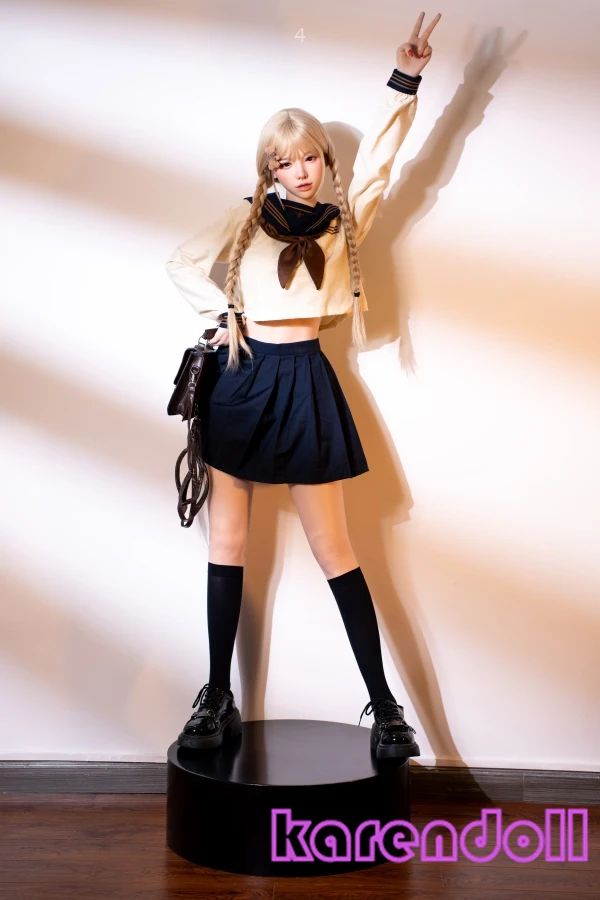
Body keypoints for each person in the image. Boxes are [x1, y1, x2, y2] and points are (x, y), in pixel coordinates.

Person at [165, 12, 442, 760]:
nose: (303, 171)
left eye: (312, 157)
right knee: (228, 544)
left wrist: (405, 79)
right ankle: (215, 697)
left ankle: (384, 708)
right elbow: (180, 262)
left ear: (323, 160)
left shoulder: (343, 221)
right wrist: (225, 314)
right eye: (287, 162)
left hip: (307, 381)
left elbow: (381, 163)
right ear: (269, 168)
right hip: (241, 381)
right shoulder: (245, 219)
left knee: (335, 549)